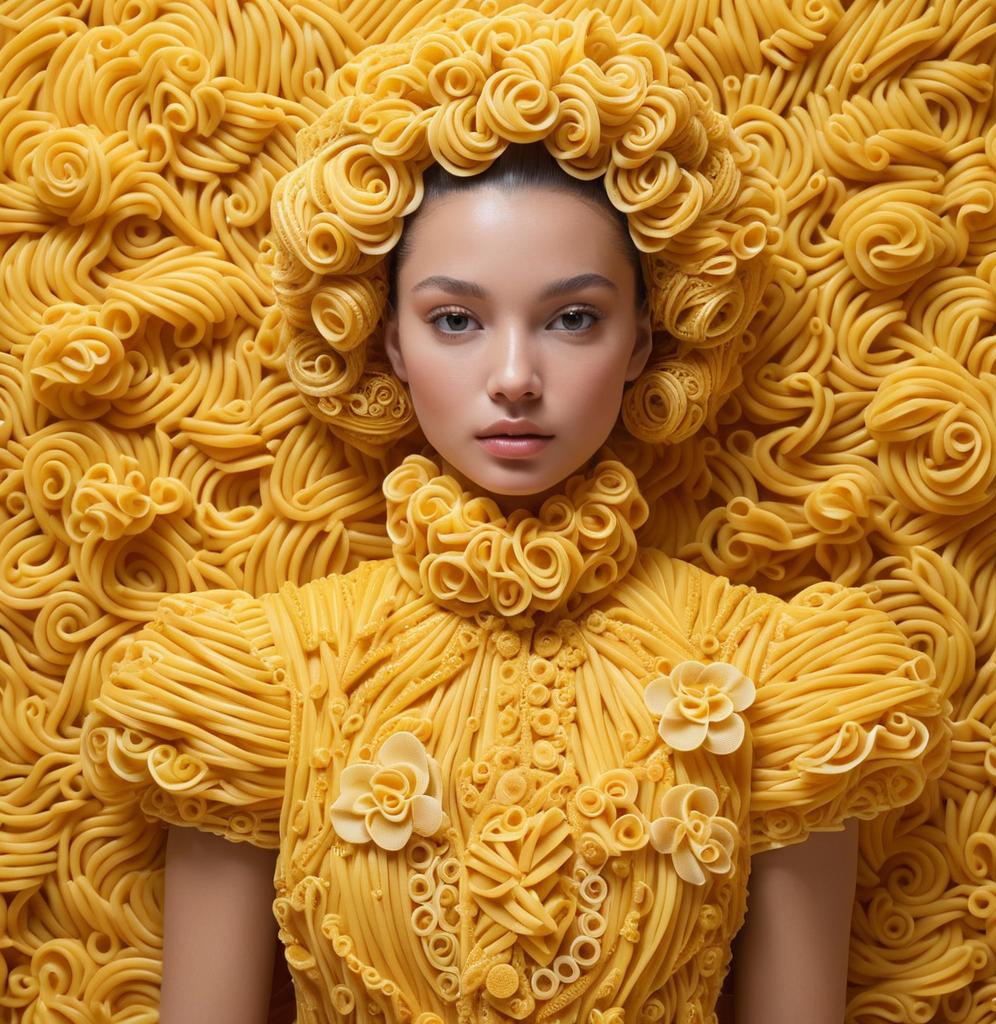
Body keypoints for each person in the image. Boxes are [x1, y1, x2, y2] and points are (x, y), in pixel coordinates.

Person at [79, 8, 952, 1024]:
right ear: (388, 339)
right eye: (455, 319)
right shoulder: (260, 679)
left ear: (641, 338)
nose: (512, 378)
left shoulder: (776, 676)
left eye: (572, 317)